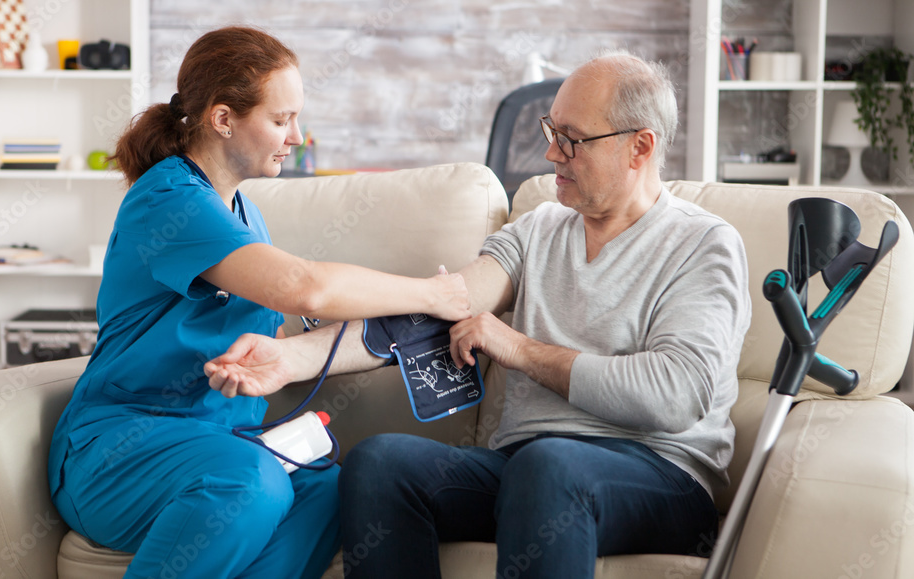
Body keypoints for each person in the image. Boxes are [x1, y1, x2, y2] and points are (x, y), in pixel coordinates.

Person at [204, 51, 752, 578]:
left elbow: (675, 393)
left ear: (640, 147)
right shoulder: (539, 231)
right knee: (380, 464)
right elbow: (428, 309)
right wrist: (291, 357)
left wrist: (520, 350)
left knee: (550, 467)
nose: (552, 154)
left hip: (659, 475)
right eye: (550, 132)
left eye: (572, 141)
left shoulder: (703, 244)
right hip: (526, 469)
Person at [47, 26, 470, 579]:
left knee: (331, 486)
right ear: (223, 119)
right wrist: (432, 294)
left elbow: (281, 330)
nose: (296, 135)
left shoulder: (244, 212)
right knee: (250, 479)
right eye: (280, 119)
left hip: (217, 443)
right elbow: (305, 287)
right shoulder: (168, 198)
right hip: (118, 453)